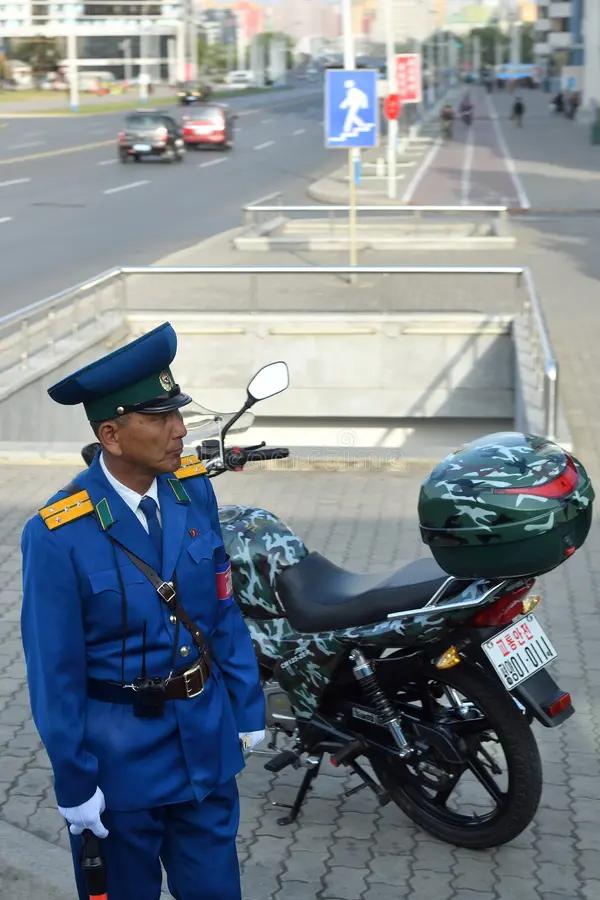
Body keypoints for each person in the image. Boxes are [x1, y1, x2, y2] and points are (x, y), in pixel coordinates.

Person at [21, 322, 265, 900]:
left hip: (206, 746)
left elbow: (222, 612)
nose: (180, 430)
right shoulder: (58, 533)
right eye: (159, 419)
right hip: (119, 767)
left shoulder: (190, 491)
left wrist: (247, 707)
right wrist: (75, 780)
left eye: (177, 413)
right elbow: (54, 673)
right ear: (111, 434)